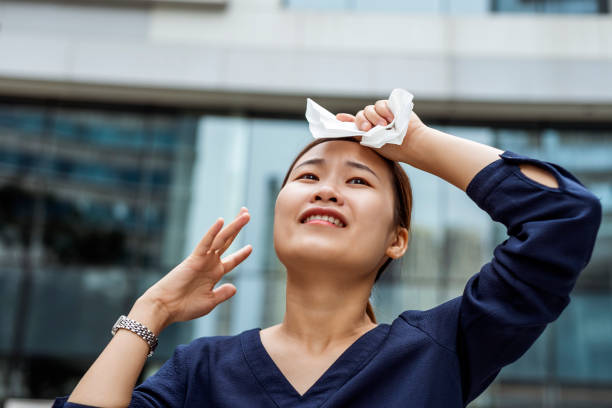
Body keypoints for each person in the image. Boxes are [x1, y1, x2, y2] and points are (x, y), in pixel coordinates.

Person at [53, 100, 601, 408]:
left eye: (358, 181)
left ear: (397, 239)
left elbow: (563, 216)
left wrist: (417, 144)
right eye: (308, 175)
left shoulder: (442, 349)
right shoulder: (200, 372)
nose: (326, 189)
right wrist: (152, 309)